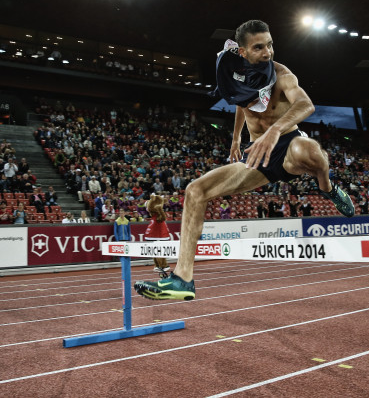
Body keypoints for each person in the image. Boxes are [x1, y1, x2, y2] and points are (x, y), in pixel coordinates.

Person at [135, 20, 354, 301]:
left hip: (287, 144)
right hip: (258, 154)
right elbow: (241, 102)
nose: (268, 52)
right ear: (242, 52)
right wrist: (237, 139)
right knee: (195, 190)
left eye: (270, 44)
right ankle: (183, 279)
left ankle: (328, 189)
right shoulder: (235, 74)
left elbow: (305, 104)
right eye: (259, 47)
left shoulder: (281, 73)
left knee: (309, 151)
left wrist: (275, 131)